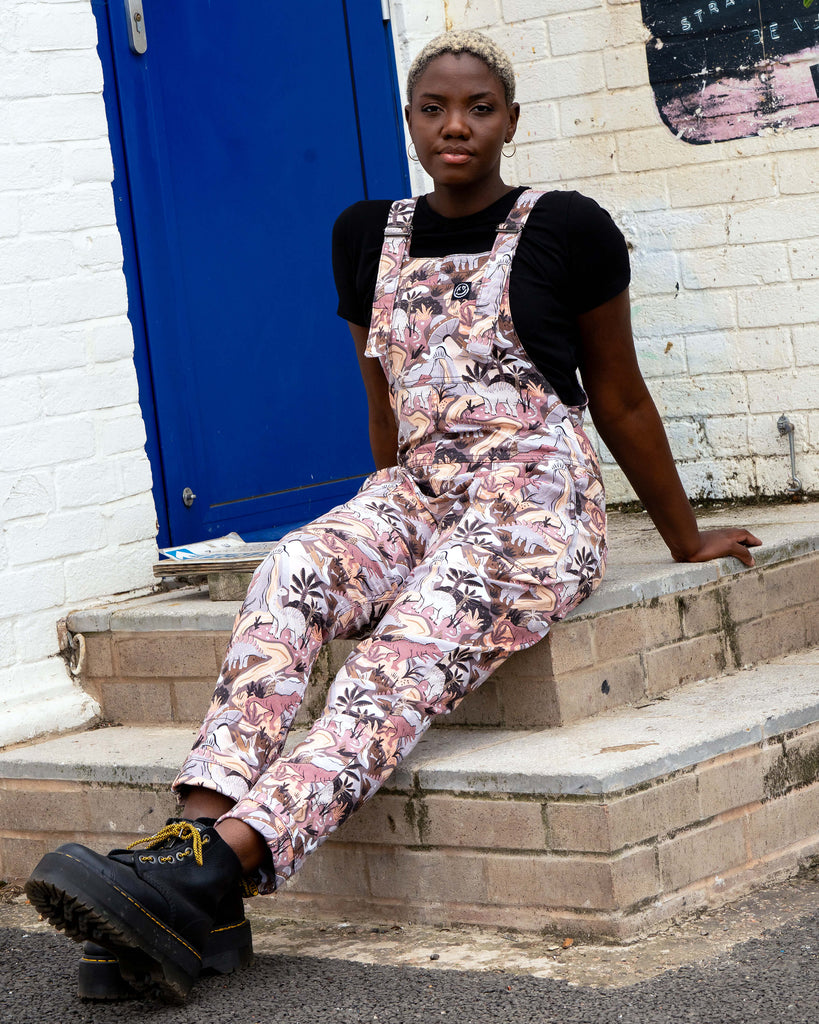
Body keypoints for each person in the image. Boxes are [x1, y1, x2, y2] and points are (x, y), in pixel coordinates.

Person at [25, 30, 761, 1002]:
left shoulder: (568, 227)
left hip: (536, 504)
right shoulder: (365, 234)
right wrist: (378, 539)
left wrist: (683, 536)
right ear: (409, 118)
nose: (456, 126)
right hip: (418, 489)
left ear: (510, 120)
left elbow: (620, 397)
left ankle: (218, 870)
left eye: (480, 107)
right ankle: (192, 840)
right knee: (292, 568)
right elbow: (383, 398)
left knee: (409, 641)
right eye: (434, 108)